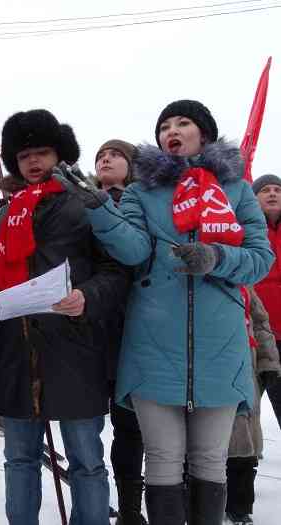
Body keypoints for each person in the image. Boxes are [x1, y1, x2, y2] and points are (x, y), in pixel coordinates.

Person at [57, 99, 274, 525]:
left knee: (210, 463)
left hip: (220, 346)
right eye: (164, 126)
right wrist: (100, 209)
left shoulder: (238, 190)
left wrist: (215, 257)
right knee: (162, 459)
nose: (171, 130)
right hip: (153, 345)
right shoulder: (141, 191)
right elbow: (134, 250)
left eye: (183, 122)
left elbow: (259, 259)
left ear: (204, 133)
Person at [0, 109, 131, 525]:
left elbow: (117, 271)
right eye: (25, 154)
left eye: (43, 152)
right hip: (16, 352)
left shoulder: (85, 205)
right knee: (19, 460)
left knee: (86, 459)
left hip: (75, 349)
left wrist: (87, 296)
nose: (33, 162)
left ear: (60, 154)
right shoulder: (2, 214)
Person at [94, 139, 147, 525]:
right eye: (100, 155)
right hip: (92, 330)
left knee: (132, 427)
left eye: (115, 154)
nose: (106, 159)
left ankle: (131, 510)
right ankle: (94, 498)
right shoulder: (80, 204)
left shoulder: (145, 205)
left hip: (138, 330)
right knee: (87, 428)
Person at [225, 286, 280, 525]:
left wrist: (268, 360)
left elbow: (260, 321)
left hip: (244, 364)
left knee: (243, 439)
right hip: (209, 367)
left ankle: (239, 505)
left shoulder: (243, 284)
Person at [251, 174, 281, 429]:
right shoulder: (246, 230)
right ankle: (244, 456)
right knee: (246, 405)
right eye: (265, 190)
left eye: (277, 190)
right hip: (252, 333)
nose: (272, 193)